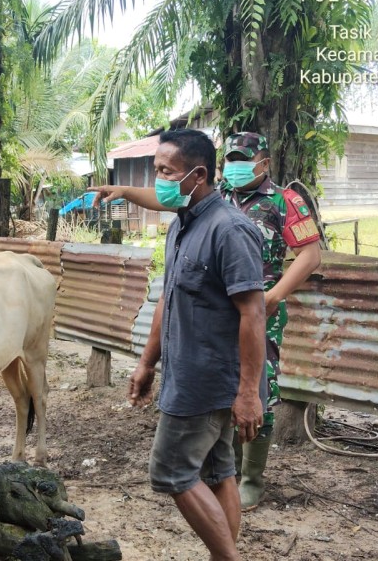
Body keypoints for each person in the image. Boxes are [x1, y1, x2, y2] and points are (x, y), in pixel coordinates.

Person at [90, 131, 322, 511]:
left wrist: (274, 296)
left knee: (257, 390)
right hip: (214, 308)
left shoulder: (283, 201)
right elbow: (166, 198)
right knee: (221, 427)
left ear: (264, 162)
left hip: (256, 307)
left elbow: (310, 256)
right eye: (230, 158)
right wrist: (124, 190)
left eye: (243, 158)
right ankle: (226, 468)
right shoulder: (214, 201)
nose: (235, 165)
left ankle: (253, 478)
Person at [123, 128, 267, 560]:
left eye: (167, 171)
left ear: (198, 175)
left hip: (207, 384)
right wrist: (148, 363)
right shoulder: (183, 225)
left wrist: (247, 393)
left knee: (170, 472)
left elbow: (253, 313)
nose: (159, 181)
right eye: (156, 171)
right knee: (218, 471)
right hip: (189, 375)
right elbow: (170, 297)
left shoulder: (229, 230)